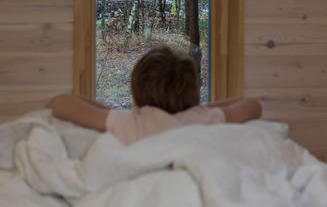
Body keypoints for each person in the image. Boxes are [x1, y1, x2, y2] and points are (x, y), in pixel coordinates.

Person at [52, 45, 262, 146]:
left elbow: (61, 104)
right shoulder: (205, 119)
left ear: (135, 97)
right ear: (195, 95)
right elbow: (252, 105)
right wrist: (203, 109)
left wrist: (110, 112)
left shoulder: (131, 122)